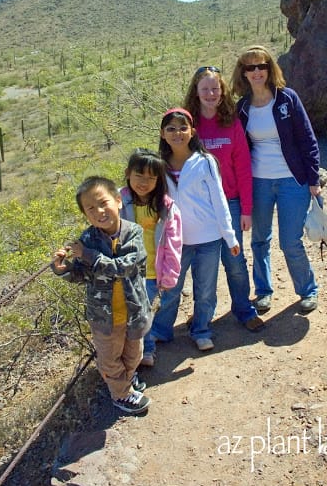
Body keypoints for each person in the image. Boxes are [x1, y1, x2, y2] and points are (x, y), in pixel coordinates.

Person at [231, 45, 321, 314]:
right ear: (244, 73)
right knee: (259, 240)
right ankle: (264, 292)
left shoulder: (287, 99)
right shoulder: (243, 108)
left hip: (292, 181)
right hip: (258, 181)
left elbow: (308, 139)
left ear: (270, 69)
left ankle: (308, 290)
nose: (257, 71)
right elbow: (237, 148)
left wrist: (314, 179)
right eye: (251, 67)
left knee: (290, 241)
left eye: (262, 65)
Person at [51, 176, 152, 414]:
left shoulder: (134, 233)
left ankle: (126, 379)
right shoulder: (87, 240)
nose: (99, 211)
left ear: (118, 201)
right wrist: (63, 270)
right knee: (109, 358)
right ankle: (122, 394)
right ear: (86, 214)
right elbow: (83, 275)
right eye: (90, 208)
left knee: (134, 353)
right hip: (104, 316)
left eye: (103, 202)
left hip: (134, 310)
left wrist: (90, 255)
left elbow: (126, 267)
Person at [152, 107, 240, 352]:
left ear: (192, 131)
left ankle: (201, 330)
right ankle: (161, 330)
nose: (177, 133)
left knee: (205, 289)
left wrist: (229, 236)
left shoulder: (206, 161)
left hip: (208, 238)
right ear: (162, 133)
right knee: (171, 288)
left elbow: (219, 199)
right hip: (175, 241)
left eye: (183, 128)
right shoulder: (158, 166)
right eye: (171, 128)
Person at [184, 66, 264, 332]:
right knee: (202, 267)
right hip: (199, 209)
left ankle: (243, 309)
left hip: (230, 205)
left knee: (235, 261)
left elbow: (243, 167)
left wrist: (246, 209)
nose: (210, 94)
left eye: (215, 89)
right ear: (196, 92)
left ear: (222, 92)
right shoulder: (189, 127)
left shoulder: (231, 123)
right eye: (205, 89)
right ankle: (201, 316)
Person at [119, 148, 182, 367]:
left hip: (150, 272)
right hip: (124, 270)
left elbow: (174, 243)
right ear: (128, 173)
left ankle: (147, 350)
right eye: (139, 176)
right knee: (130, 313)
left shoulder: (165, 207)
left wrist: (170, 274)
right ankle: (129, 353)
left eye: (151, 178)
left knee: (142, 312)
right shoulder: (119, 201)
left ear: (159, 180)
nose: (144, 183)